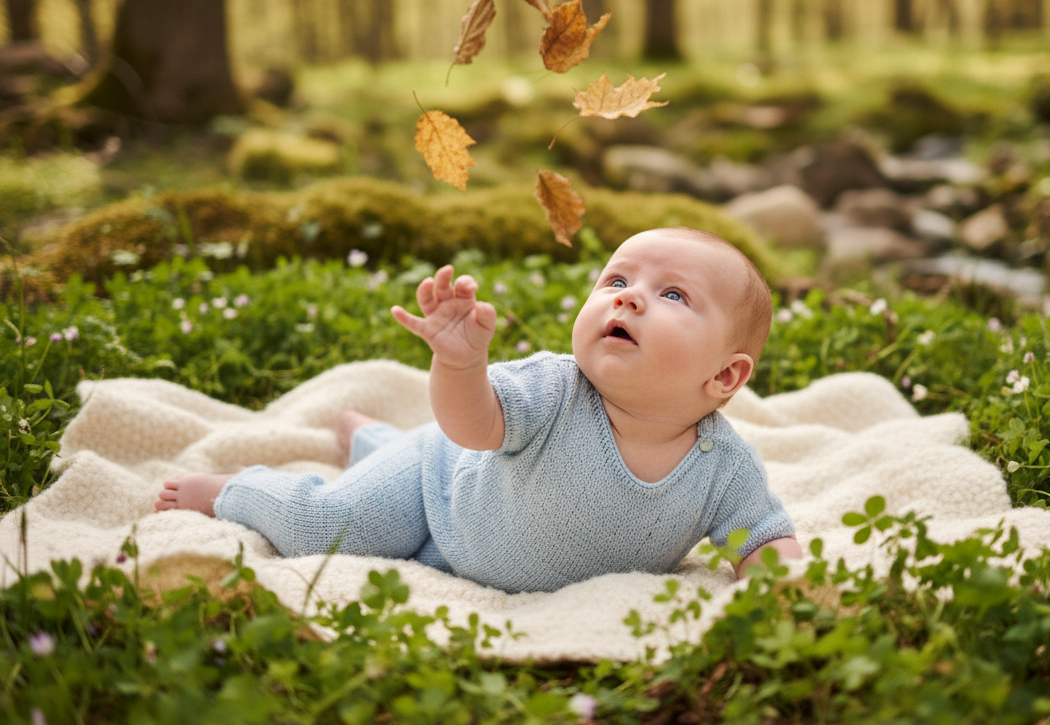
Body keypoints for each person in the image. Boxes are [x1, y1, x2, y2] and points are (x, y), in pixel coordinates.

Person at [155, 227, 802, 593]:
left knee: (385, 479)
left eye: (671, 294)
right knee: (328, 524)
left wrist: (785, 589)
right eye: (616, 280)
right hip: (436, 484)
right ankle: (236, 490)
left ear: (725, 375)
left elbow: (759, 540)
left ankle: (370, 438)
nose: (628, 299)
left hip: (469, 538)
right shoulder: (554, 390)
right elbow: (472, 427)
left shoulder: (722, 470)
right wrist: (461, 366)